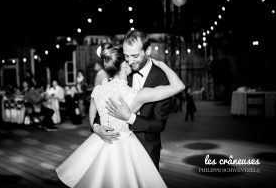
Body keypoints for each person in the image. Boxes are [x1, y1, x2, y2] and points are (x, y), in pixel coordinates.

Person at [56, 43, 185, 188]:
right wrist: (161, 64)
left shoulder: (98, 90)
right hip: (127, 149)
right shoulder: (136, 95)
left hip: (102, 146)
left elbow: (92, 112)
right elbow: (179, 86)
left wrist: (95, 126)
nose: (130, 61)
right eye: (127, 59)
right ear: (123, 65)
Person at [93, 29, 173, 169]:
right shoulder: (123, 71)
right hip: (115, 146)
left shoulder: (162, 78)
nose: (129, 61)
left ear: (147, 51)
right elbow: (104, 104)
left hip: (146, 147)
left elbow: (159, 124)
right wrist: (96, 127)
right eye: (126, 56)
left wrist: (129, 118)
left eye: (135, 55)